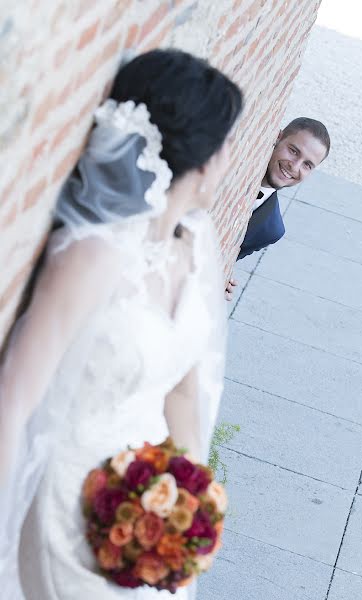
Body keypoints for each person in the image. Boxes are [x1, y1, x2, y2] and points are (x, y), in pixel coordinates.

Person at [0, 49, 243, 599]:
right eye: (228, 142)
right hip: (70, 501)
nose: (230, 159)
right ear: (204, 155)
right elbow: (12, 400)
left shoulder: (198, 246)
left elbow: (182, 393)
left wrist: (192, 502)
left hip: (155, 506)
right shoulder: (95, 255)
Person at [225, 117, 330, 300]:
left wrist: (221, 280)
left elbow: (223, 260)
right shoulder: (228, 164)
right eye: (293, 151)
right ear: (278, 137)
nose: (295, 166)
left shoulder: (271, 230)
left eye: (307, 165)